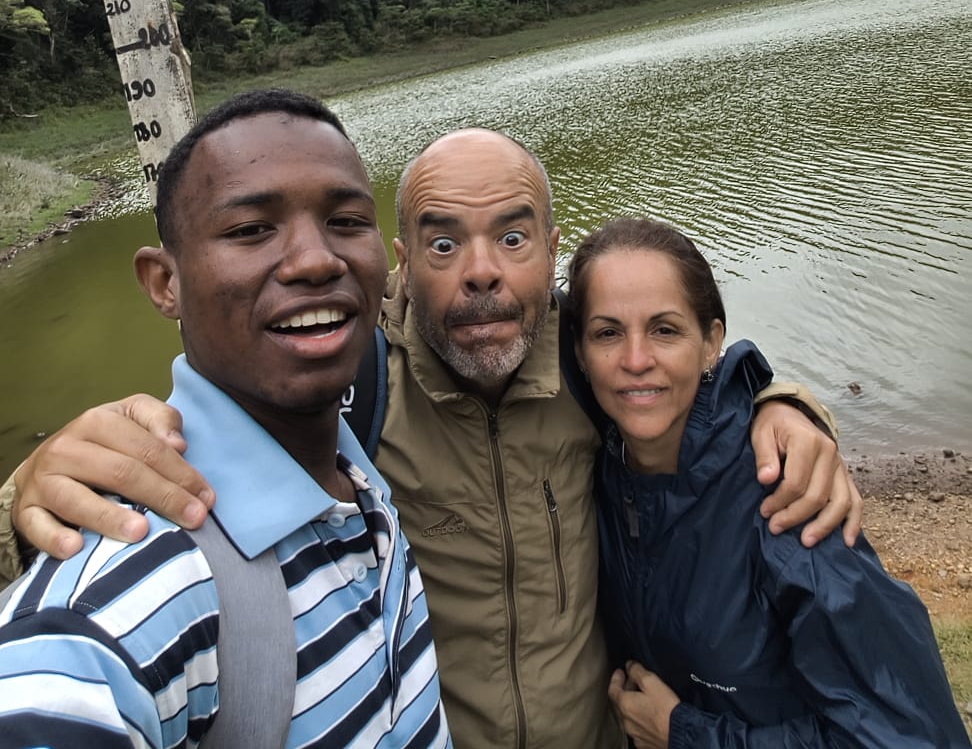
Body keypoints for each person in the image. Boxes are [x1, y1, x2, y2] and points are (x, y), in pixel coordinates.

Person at [0, 127, 862, 749]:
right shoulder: (341, 391)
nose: (482, 270)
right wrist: (27, 490)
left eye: (514, 237)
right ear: (402, 261)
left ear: (552, 253)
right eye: (444, 241)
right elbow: (201, 425)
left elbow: (690, 373)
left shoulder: (592, 363)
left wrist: (782, 403)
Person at [0, 91, 451, 748]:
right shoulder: (135, 583)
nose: (316, 260)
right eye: (250, 230)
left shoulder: (357, 481)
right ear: (164, 284)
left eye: (346, 220)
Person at [566, 216, 968, 749]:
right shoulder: (602, 468)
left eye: (665, 329)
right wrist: (788, 398)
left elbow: (914, 736)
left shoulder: (788, 503)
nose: (636, 360)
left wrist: (688, 735)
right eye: (608, 333)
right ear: (578, 353)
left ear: (712, 343)